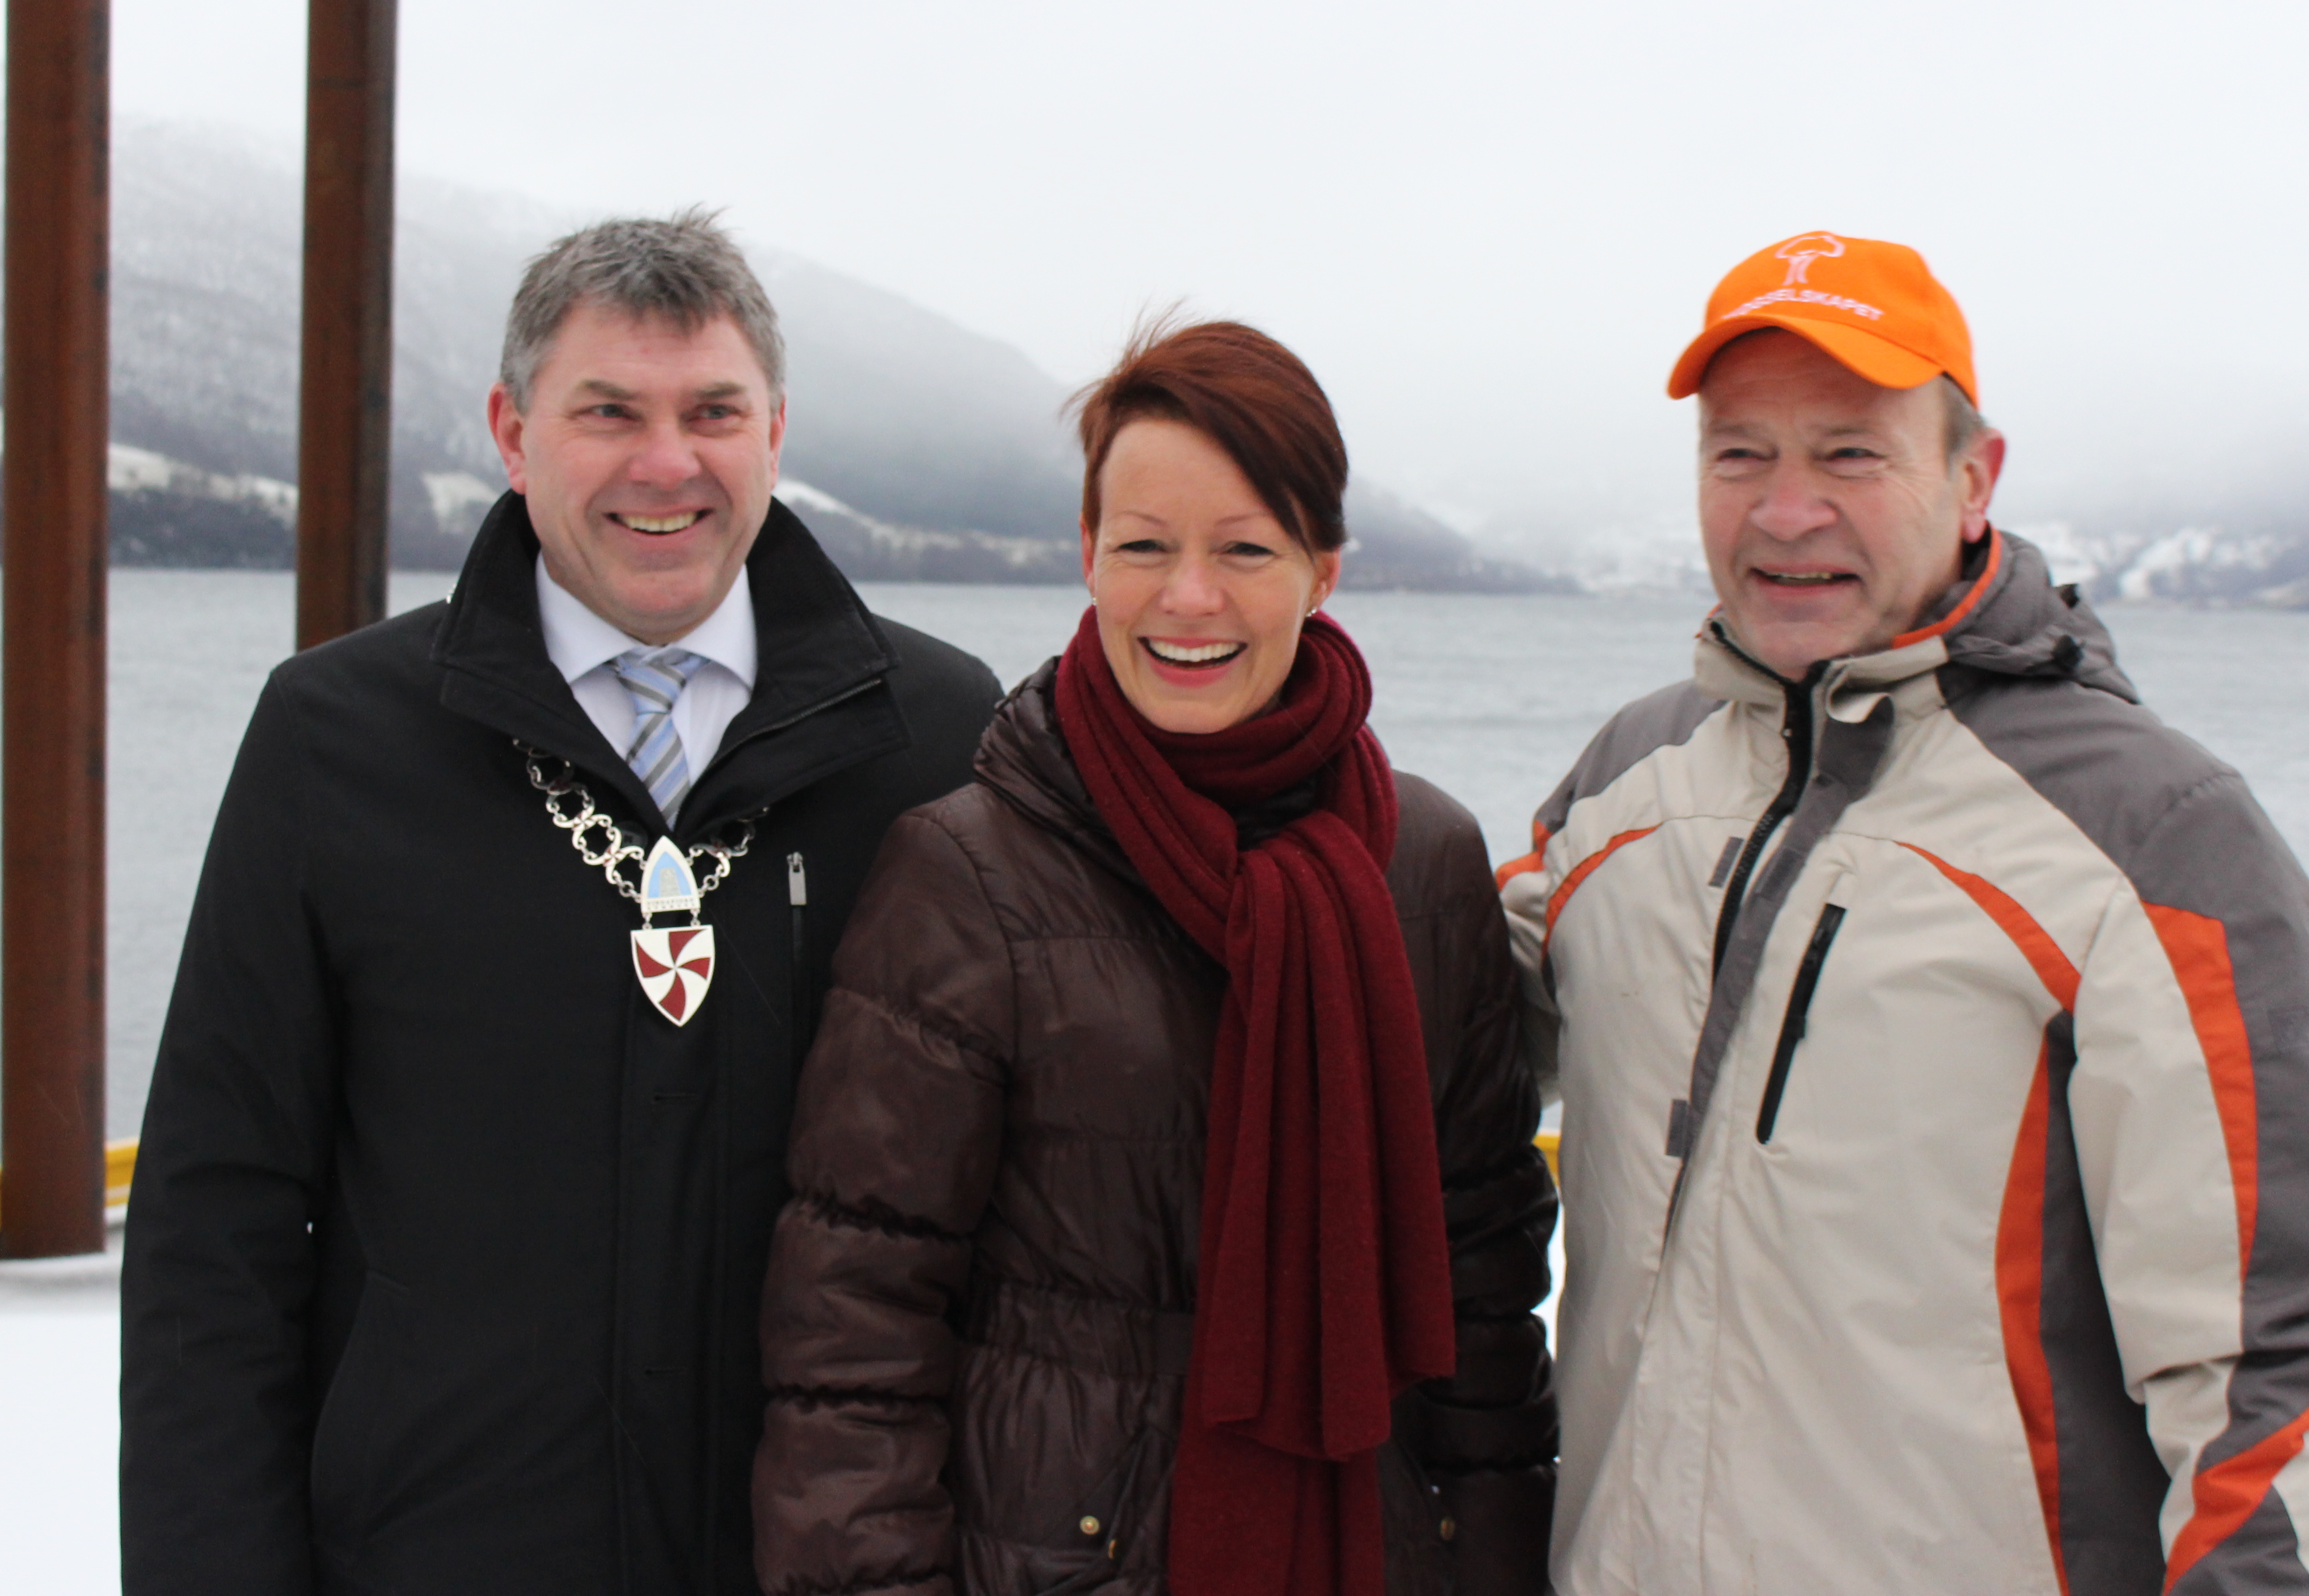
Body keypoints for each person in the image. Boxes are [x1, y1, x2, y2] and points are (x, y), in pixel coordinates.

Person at [121, 210, 1002, 1593]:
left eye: (714, 410)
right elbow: (216, 1221)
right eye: (608, 411)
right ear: (512, 429)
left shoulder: (938, 736)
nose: (669, 463)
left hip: (825, 1565)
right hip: (441, 1553)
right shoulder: (334, 740)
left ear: (776, 427)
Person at [1502, 234, 2309, 1594]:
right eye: (1740, 454)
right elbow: (1440, 1026)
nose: (1786, 511)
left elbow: (2271, 1367)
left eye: (1852, 453)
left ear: (1974, 480)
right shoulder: (1632, 780)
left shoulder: (2153, 837)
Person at [750, 321, 1558, 1596]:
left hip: (1367, 1547)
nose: (1189, 599)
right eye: (1144, 547)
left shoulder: (1427, 863)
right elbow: (855, 1322)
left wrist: (1498, 1561)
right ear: (1087, 556)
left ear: (1324, 568)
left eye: (1245, 549)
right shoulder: (968, 874)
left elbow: (1488, 1281)